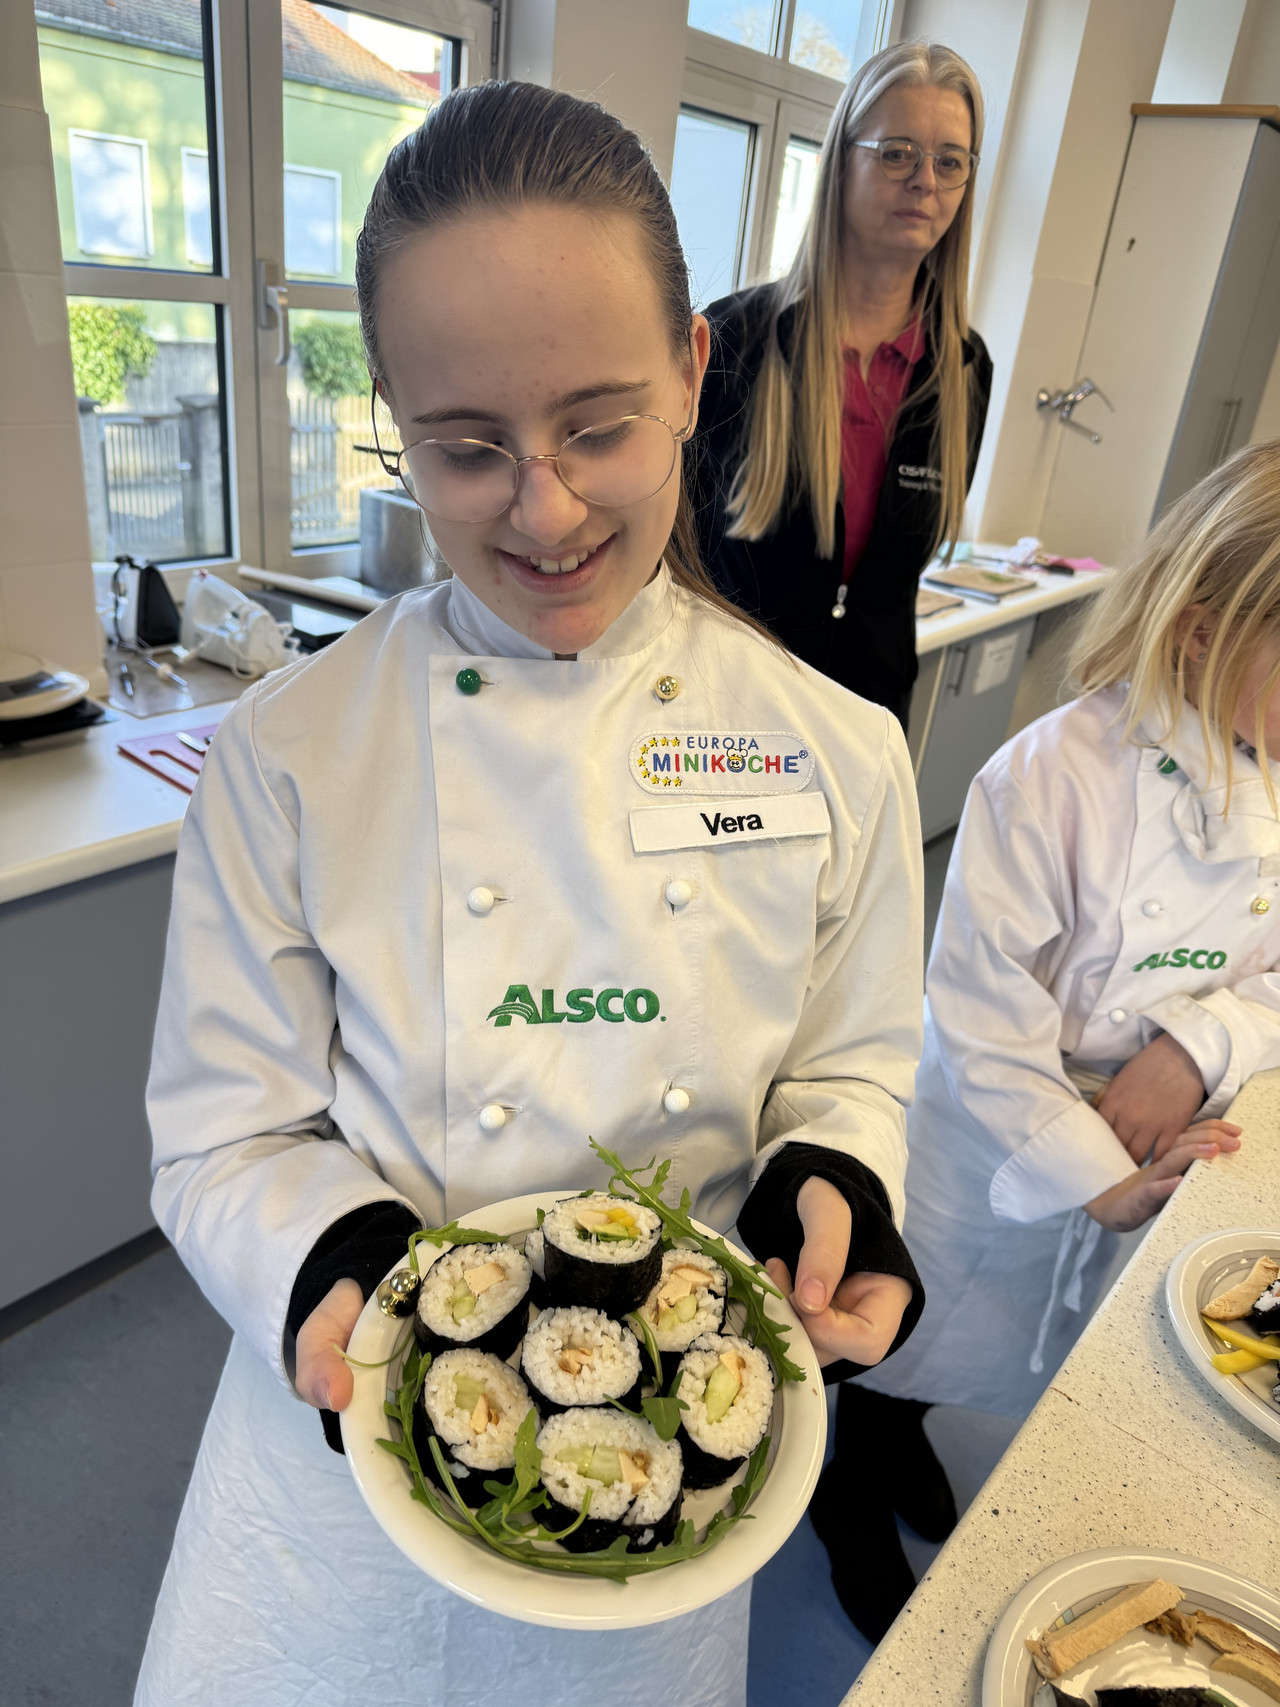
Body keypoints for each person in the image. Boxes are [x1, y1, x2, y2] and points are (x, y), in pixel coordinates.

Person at [133, 81, 930, 1707]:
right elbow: (223, 1129)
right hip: (341, 1468)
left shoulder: (839, 750)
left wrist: (830, 1178)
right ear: (395, 422)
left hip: (659, 1468)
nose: (546, 507)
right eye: (467, 447)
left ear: (694, 371)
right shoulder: (289, 753)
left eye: (599, 425)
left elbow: (851, 1063)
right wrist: (333, 1254)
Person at [818, 441, 1280, 1641]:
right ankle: (847, 1480)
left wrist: (1196, 1043)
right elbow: (981, 1013)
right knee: (913, 1319)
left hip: (1159, 1119)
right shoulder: (1049, 778)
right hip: (994, 1129)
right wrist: (1093, 1174)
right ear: (1198, 633)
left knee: (1007, 1347)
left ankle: (904, 1430)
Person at [693, 41, 992, 730]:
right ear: (841, 161)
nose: (925, 181)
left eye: (950, 161)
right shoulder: (735, 340)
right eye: (897, 153)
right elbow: (669, 552)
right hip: (726, 719)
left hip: (864, 725)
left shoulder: (964, 371)